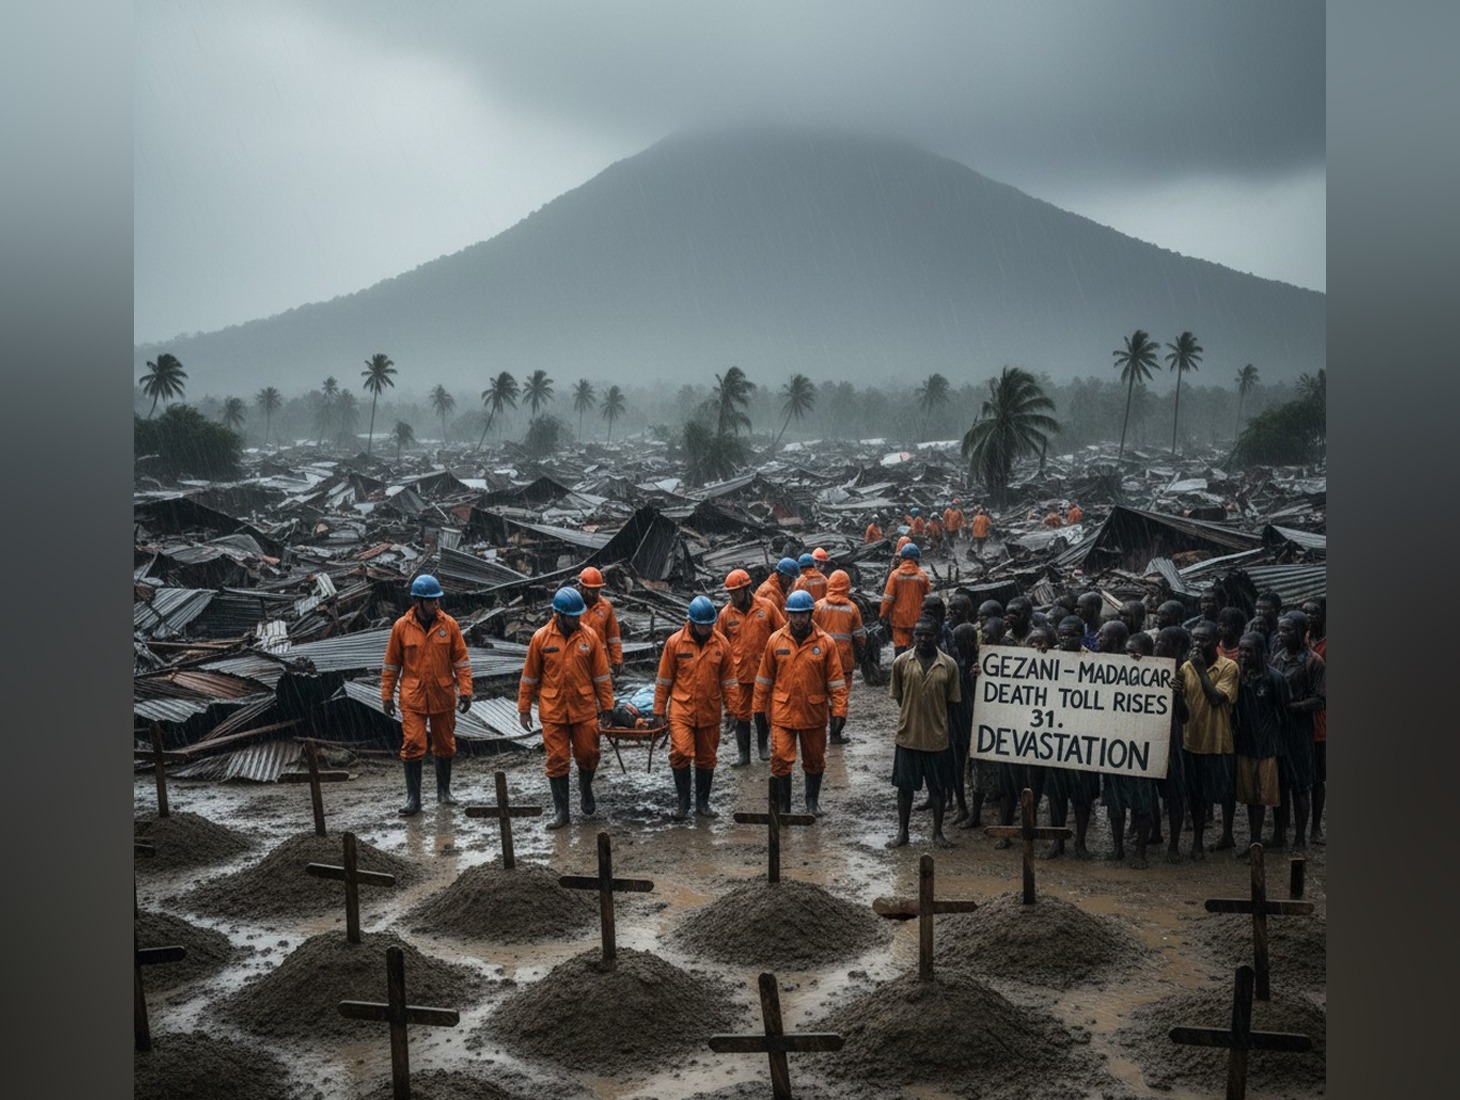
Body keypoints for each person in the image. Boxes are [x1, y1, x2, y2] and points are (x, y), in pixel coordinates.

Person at [517, 587, 615, 829]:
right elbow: (529, 676)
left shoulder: (589, 637)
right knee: (557, 760)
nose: (577, 620)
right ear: (559, 615)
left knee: (589, 754)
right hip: (553, 710)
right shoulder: (541, 638)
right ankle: (562, 813)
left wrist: (607, 708)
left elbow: (601, 677)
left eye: (578, 615)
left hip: (583, 709)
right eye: (572, 616)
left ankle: (585, 788)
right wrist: (524, 708)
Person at [381, 574, 474, 816]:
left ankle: (444, 791)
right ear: (419, 602)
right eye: (432, 601)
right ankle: (414, 798)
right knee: (413, 744)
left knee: (445, 745)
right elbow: (391, 665)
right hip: (413, 698)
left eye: (438, 600)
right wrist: (387, 696)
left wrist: (465, 691)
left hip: (443, 695)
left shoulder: (449, 625)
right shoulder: (401, 627)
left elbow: (461, 662)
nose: (437, 604)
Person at [752, 589, 849, 818]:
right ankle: (784, 808)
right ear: (788, 615)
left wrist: (840, 712)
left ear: (810, 614)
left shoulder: (825, 643)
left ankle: (811, 803)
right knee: (781, 760)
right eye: (794, 615)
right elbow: (764, 679)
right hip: (783, 712)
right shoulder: (775, 640)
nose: (798, 619)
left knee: (815, 761)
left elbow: (836, 681)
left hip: (813, 713)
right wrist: (758, 709)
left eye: (802, 615)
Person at [654, 596, 741, 821]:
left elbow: (729, 681)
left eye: (709, 625)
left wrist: (733, 710)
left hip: (709, 710)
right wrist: (658, 711)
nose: (705, 629)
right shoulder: (675, 643)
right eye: (701, 625)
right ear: (691, 622)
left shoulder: (721, 644)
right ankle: (683, 803)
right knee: (681, 752)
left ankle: (702, 804)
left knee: (706, 758)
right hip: (681, 709)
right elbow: (664, 680)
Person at [886, 618, 962, 849]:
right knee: (904, 788)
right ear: (913, 636)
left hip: (937, 739)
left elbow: (952, 701)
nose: (923, 639)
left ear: (937, 636)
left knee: (938, 789)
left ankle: (937, 833)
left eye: (928, 635)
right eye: (919, 634)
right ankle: (902, 832)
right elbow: (899, 696)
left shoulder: (949, 665)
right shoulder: (901, 662)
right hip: (908, 736)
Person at [1098, 620, 1159, 868]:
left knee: (1143, 803)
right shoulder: (1110, 671)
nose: (1132, 657)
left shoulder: (1159, 677)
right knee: (1114, 803)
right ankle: (1117, 848)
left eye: (1137, 652)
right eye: (1128, 651)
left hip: (1142, 748)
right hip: (1113, 745)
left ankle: (1141, 852)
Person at [1178, 619, 1239, 859]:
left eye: (1203, 639)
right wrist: (1176, 695)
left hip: (1218, 740)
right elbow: (1183, 713)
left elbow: (1216, 699)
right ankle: (1197, 841)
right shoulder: (1186, 668)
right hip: (1192, 740)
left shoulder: (1229, 667)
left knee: (1224, 792)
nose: (1197, 644)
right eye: (1195, 639)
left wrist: (1202, 670)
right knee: (1196, 795)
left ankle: (1227, 833)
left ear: (1216, 643)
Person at [1267, 610, 1324, 851]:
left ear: (1302, 632)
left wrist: (1293, 707)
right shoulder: (1277, 658)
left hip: (1300, 731)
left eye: (1287, 630)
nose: (1282, 635)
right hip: (1279, 731)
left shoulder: (1314, 662)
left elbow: (1321, 699)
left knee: (1301, 786)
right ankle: (1279, 835)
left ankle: (1300, 837)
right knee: (1279, 786)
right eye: (1280, 630)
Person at [718, 568, 785, 765]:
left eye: (736, 592)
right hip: (738, 674)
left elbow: (782, 634)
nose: (733, 596)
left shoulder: (767, 607)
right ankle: (744, 754)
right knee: (741, 714)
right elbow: (718, 643)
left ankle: (763, 746)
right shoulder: (725, 614)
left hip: (763, 672)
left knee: (762, 711)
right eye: (730, 593)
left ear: (746, 589)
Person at [1232, 631, 1287, 860]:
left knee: (1266, 797)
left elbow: (1283, 714)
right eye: (1241, 650)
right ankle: (1254, 841)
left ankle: (1273, 839)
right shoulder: (1238, 677)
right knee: (1251, 799)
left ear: (1262, 654)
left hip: (1267, 748)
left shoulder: (1275, 678)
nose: (1243, 655)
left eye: (1248, 650)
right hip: (1245, 746)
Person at [813, 569, 866, 744]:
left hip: (821, 659)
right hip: (844, 661)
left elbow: (810, 632)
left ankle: (819, 731)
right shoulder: (852, 609)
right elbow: (860, 637)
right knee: (840, 696)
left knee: (822, 694)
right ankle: (835, 734)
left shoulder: (818, 606)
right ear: (847, 586)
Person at [1153, 626, 1191, 862]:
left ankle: (1174, 844)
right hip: (1148, 737)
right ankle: (1154, 833)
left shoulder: (1186, 673)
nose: (1157, 646)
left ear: (1176, 647)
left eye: (1162, 643)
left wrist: (1177, 696)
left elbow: (1186, 716)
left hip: (1172, 741)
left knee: (1175, 794)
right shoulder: (1148, 666)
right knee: (1148, 793)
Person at [1300, 596, 1328, 844]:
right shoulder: (1301, 642)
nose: (1309, 617)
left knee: (1318, 778)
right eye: (1305, 612)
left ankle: (1316, 827)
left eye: (1314, 613)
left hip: (1320, 720)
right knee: (1299, 778)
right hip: (1299, 722)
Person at [878, 542, 932, 657]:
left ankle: (900, 672)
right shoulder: (923, 576)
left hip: (899, 621)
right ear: (917, 558)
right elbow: (929, 600)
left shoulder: (895, 575)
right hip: (917, 621)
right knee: (916, 651)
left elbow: (888, 599)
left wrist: (882, 615)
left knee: (900, 651)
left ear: (902, 558)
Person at [576, 567, 624, 676]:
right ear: (581, 588)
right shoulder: (573, 606)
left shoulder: (606, 607)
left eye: (597, 590)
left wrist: (616, 660)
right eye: (591, 590)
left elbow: (613, 636)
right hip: (578, 660)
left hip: (600, 660)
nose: (594, 594)